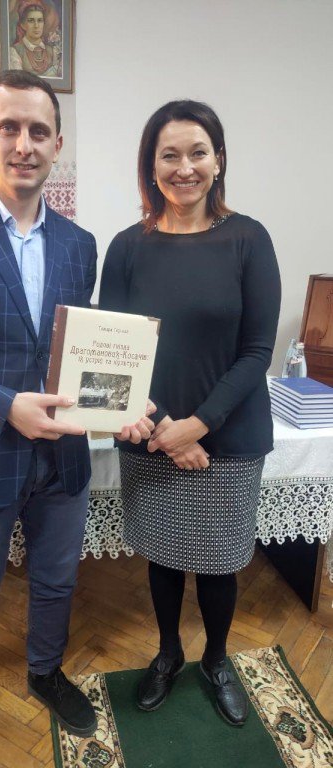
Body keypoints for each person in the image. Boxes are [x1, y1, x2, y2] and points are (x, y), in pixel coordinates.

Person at [0, 69, 153, 768]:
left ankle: (45, 672)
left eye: (38, 131)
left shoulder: (79, 243)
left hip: (62, 458)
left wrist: (124, 401)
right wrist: (2, 405)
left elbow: (81, 352)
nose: (23, 144)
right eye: (8, 127)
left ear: (56, 145)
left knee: (57, 582)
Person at [99, 100, 281, 727]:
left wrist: (197, 426)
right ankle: (169, 652)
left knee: (221, 562)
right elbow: (114, 351)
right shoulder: (127, 247)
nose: (185, 168)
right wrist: (167, 431)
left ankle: (217, 659)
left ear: (218, 160)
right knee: (164, 557)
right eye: (169, 155)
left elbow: (258, 350)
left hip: (227, 436)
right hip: (149, 432)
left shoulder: (248, 239)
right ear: (151, 166)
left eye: (197, 152)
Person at [10, 1, 61, 77]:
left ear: (44, 24)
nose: (36, 26)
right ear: (23, 25)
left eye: (40, 20)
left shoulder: (52, 51)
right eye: (31, 21)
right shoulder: (15, 51)